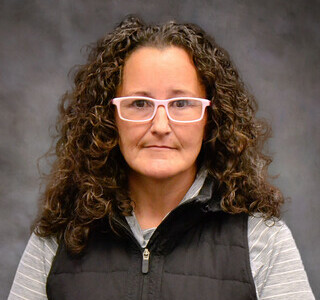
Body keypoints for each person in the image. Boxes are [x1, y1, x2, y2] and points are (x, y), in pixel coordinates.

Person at [8, 16, 315, 300]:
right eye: (139, 103)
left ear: (212, 117)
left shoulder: (263, 241)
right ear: (107, 117)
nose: (160, 126)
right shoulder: (58, 237)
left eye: (181, 103)